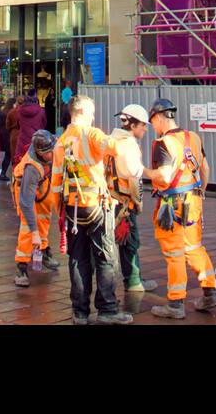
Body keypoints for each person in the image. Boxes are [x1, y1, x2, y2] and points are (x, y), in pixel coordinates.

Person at [51, 95, 132, 325]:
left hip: (72, 209)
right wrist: (125, 133)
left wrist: (60, 212)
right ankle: (107, 309)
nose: (94, 117)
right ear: (84, 111)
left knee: (77, 259)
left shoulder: (61, 141)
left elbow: (56, 182)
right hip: (97, 204)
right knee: (105, 257)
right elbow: (116, 149)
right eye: (92, 112)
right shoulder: (92, 134)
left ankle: (80, 313)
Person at [142, 98, 216, 318]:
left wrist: (142, 171)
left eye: (153, 122)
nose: (153, 127)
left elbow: (164, 176)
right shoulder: (193, 137)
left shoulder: (163, 143)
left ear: (158, 117)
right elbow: (205, 168)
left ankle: (175, 305)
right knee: (194, 247)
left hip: (172, 205)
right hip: (193, 201)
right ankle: (210, 292)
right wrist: (201, 192)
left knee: (174, 253)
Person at [107, 103, 154, 293]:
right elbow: (135, 178)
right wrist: (139, 202)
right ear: (132, 125)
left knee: (121, 241)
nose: (145, 128)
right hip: (125, 202)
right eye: (143, 125)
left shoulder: (112, 140)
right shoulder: (129, 146)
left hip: (111, 199)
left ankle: (133, 278)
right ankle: (134, 281)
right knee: (130, 241)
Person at [12, 129, 60, 287]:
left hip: (43, 182)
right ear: (40, 152)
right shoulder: (31, 169)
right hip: (25, 188)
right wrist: (34, 232)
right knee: (27, 226)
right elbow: (26, 203)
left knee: (45, 216)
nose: (53, 156)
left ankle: (44, 250)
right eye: (49, 154)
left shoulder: (53, 148)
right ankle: (21, 266)